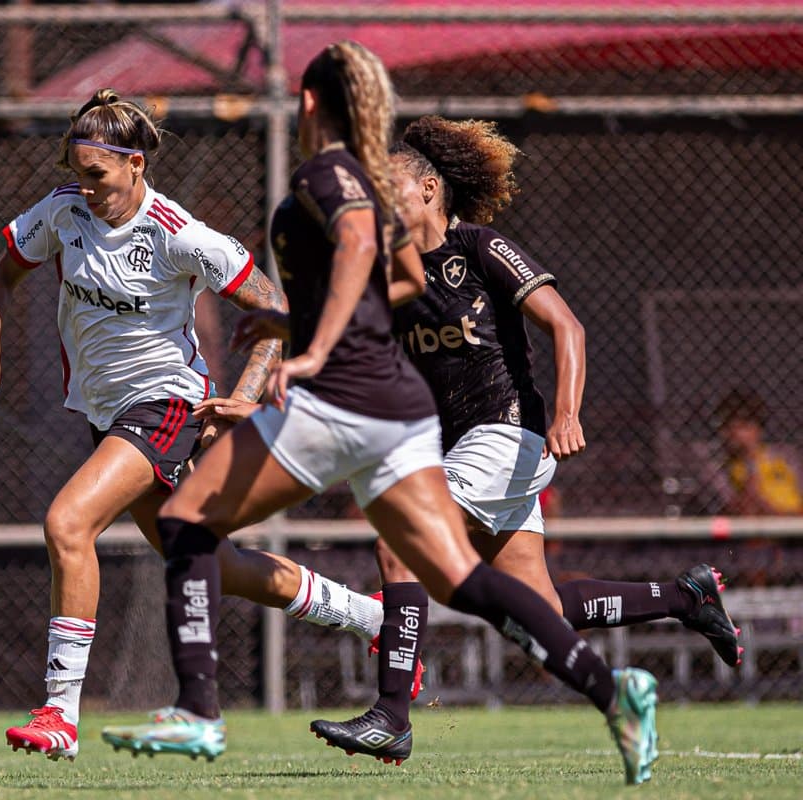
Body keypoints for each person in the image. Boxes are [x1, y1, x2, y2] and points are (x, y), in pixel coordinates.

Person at [99, 43, 659, 786]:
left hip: (362, 407)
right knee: (459, 581)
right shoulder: (358, 188)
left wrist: (311, 349)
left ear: (308, 104)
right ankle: (612, 690)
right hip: (396, 412)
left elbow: (372, 264)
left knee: (189, 520)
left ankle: (208, 712)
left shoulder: (329, 177)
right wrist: (294, 329)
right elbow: (399, 280)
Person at [0, 89, 384, 762]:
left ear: (135, 165)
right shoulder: (63, 211)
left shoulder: (177, 233)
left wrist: (244, 396)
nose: (86, 188)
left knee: (68, 523)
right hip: (106, 413)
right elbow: (0, 279)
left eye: (97, 175)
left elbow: (275, 307)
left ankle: (60, 713)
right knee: (209, 562)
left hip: (166, 405)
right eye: (77, 173)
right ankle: (370, 616)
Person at [307, 115, 742, 765]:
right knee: (540, 610)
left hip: (506, 434)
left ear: (428, 189)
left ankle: (392, 715)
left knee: (401, 538)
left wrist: (566, 414)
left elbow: (568, 327)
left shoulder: (480, 248)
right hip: (457, 449)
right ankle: (688, 597)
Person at [709, 387, 802, 516]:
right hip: (761, 525)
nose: (736, 434)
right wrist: (750, 462)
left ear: (758, 428)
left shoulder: (786, 455)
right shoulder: (719, 468)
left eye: (744, 426)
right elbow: (743, 509)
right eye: (729, 427)